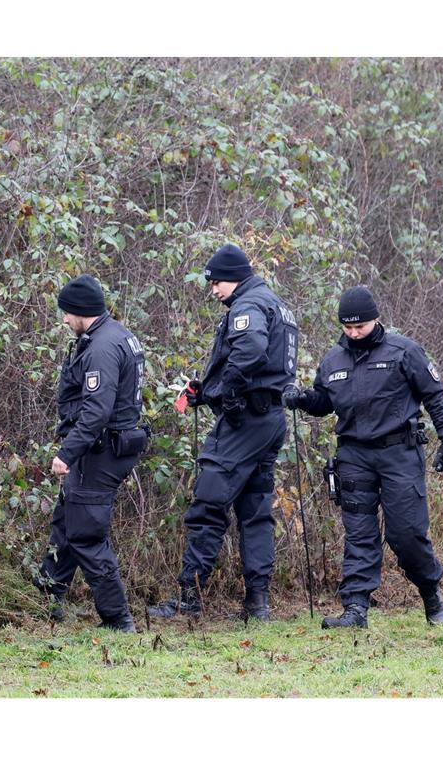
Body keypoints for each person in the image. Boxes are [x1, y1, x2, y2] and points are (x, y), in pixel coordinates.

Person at [284, 285, 443, 628]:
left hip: (399, 453)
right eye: (347, 328)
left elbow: (434, 395)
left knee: (406, 534)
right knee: (359, 533)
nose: (353, 333)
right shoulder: (333, 359)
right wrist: (302, 399)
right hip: (353, 455)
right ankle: (355, 609)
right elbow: (324, 402)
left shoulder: (403, 351)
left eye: (359, 327)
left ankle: (430, 593)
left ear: (375, 319)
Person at [149, 243, 298, 621]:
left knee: (208, 503)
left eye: (216, 282)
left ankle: (189, 598)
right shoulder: (273, 303)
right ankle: (257, 604)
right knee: (255, 510)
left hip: (244, 422)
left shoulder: (248, 306)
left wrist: (228, 393)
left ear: (234, 276)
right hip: (269, 418)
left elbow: (249, 352)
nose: (213, 290)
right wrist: (207, 391)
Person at [33, 274, 149, 632]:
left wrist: (66, 453)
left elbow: (97, 412)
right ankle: (48, 597)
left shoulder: (101, 347)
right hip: (106, 447)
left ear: (81, 311)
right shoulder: (115, 335)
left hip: (100, 451)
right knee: (67, 520)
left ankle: (118, 619)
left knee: (85, 533)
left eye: (67, 313)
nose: (64, 320)